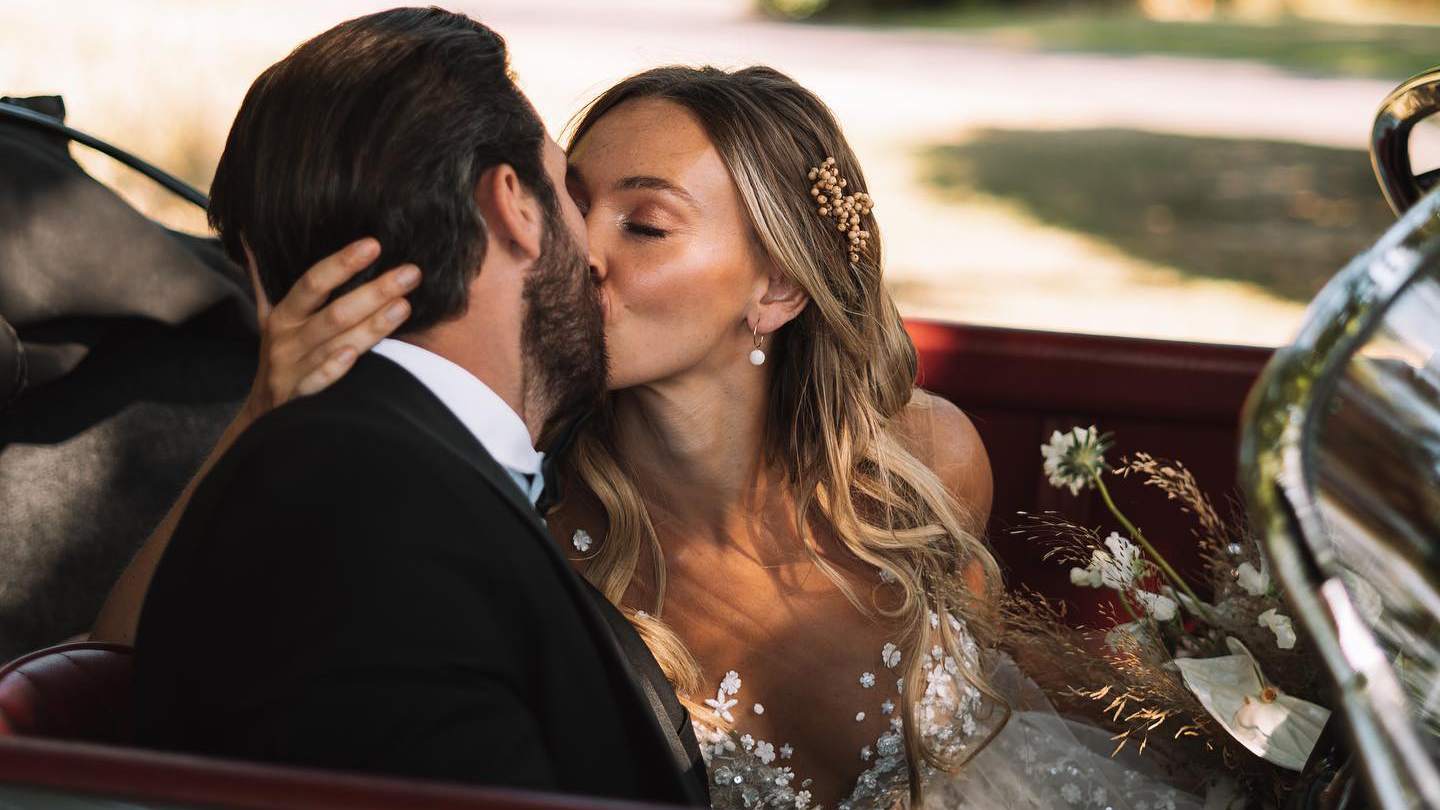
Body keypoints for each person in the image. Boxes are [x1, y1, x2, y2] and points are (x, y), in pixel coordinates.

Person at [104, 51, 1205, 808]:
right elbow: (111, 675)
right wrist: (264, 416)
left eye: (645, 222)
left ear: (773, 289)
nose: (581, 255)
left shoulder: (925, 464)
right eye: (569, 207)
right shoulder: (515, 526)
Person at [125, 9, 708, 805]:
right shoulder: (375, 516)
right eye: (569, 191)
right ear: (515, 206)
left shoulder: (393, 477)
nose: (598, 257)